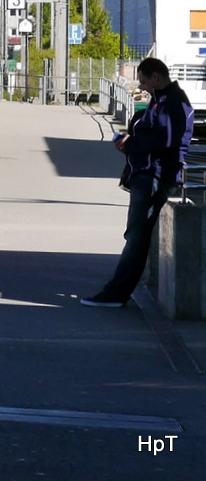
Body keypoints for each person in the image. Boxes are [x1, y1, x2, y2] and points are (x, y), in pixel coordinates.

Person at [81, 57, 194, 307]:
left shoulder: (172, 102)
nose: (142, 87)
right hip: (148, 172)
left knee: (137, 235)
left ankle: (117, 293)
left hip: (155, 175)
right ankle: (118, 291)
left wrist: (130, 144)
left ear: (156, 76)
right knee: (136, 234)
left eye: (143, 81)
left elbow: (165, 139)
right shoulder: (161, 100)